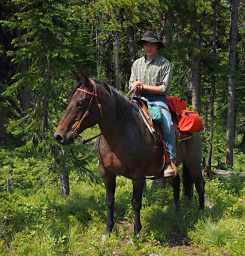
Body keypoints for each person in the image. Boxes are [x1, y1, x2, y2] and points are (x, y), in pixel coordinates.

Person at [129, 31, 177, 177]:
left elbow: (163, 88)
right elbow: (131, 83)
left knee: (167, 123)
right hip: (137, 99)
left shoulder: (164, 64)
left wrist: (142, 85)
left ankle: (170, 160)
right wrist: (134, 86)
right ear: (143, 46)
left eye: (152, 45)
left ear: (157, 47)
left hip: (157, 100)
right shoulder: (136, 63)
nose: (148, 47)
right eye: (146, 44)